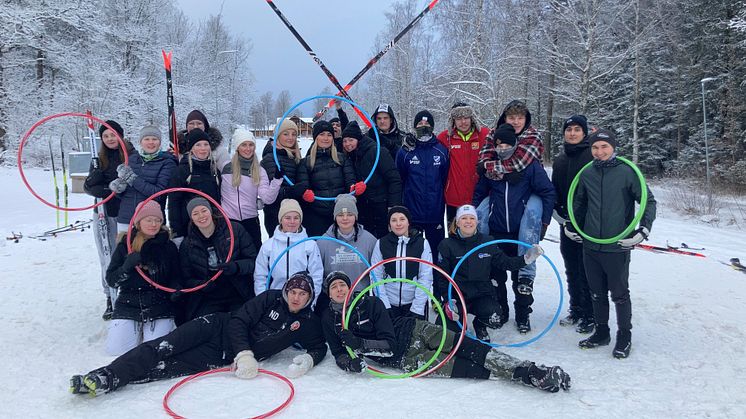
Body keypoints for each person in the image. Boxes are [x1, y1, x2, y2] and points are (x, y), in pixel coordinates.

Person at [71, 272, 327, 397]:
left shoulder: (307, 321)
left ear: (309, 298)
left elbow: (319, 346)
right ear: (286, 291)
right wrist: (246, 354)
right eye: (293, 291)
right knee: (162, 347)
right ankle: (106, 374)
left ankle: (113, 382)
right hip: (215, 327)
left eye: (302, 294)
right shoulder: (270, 298)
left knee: (167, 367)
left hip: (220, 355)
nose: (296, 297)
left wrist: (308, 360)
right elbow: (239, 320)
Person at [320, 271, 571, 392]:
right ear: (328, 292)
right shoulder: (329, 320)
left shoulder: (371, 302)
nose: (340, 290)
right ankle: (526, 377)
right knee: (469, 370)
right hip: (409, 361)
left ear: (351, 288)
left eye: (343, 285)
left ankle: (532, 371)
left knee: (472, 349)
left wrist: (361, 344)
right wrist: (348, 364)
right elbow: (339, 352)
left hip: (416, 330)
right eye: (334, 287)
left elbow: (389, 343)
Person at [567, 129, 656, 359]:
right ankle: (602, 332)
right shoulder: (587, 174)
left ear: (613, 147)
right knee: (596, 292)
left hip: (616, 244)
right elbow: (579, 204)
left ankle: (624, 336)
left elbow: (648, 201)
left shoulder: (627, 173)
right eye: (595, 148)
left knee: (619, 293)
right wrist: (571, 225)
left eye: (604, 147)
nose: (599, 152)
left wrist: (642, 230)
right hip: (591, 244)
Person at [472, 123, 556, 334]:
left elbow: (547, 192)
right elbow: (479, 194)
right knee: (496, 274)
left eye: (507, 144)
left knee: (522, 275)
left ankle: (522, 313)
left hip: (521, 231)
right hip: (497, 229)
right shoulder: (491, 169)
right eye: (499, 144)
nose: (503, 148)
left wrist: (544, 222)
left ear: (516, 144)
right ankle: (501, 309)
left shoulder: (530, 167)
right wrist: (472, 217)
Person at [434, 205, 544, 342]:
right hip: (458, 295)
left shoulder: (487, 242)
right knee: (448, 332)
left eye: (471, 218)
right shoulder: (447, 245)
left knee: (495, 319)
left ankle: (479, 325)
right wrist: (449, 300)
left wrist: (526, 259)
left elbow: (505, 263)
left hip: (481, 293)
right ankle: (460, 323)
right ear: (457, 221)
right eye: (464, 218)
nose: (468, 221)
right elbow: (442, 277)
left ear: (477, 221)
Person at [476, 100, 547, 283]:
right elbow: (483, 158)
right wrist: (492, 169)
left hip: (529, 189)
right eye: (511, 117)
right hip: (500, 187)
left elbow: (517, 164)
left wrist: (491, 167)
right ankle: (481, 262)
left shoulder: (532, 135)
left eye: (520, 118)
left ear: (526, 119)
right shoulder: (495, 134)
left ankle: (526, 272)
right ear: (504, 118)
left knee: (529, 220)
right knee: (480, 215)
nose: (516, 122)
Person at [104, 200, 181, 356]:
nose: (153, 224)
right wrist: (126, 267)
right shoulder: (126, 244)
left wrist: (175, 289)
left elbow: (176, 275)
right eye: (148, 220)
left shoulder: (168, 246)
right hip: (129, 303)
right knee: (116, 351)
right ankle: (133, 330)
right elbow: (111, 280)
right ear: (138, 222)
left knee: (155, 351)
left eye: (157, 220)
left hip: (159, 304)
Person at [84, 119, 134, 320]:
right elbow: (89, 187)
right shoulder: (98, 159)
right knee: (107, 256)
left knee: (128, 253)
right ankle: (109, 296)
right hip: (104, 214)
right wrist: (104, 186)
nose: (110, 139)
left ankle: (129, 291)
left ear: (120, 135)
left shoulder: (130, 156)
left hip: (126, 213)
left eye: (113, 135)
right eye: (106, 136)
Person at [178, 197, 258, 322]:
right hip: (208, 297)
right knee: (207, 328)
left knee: (238, 325)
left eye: (204, 210)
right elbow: (186, 278)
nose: (201, 216)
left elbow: (253, 262)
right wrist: (201, 285)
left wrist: (236, 267)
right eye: (195, 213)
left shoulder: (234, 230)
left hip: (237, 292)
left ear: (211, 211)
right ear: (191, 218)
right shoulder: (187, 244)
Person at [551, 115, 595, 334]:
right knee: (571, 267)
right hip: (567, 223)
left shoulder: (592, 156)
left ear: (584, 132)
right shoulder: (560, 160)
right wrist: (559, 216)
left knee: (588, 269)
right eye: (569, 130)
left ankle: (590, 313)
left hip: (589, 224)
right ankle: (576, 307)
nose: (572, 133)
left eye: (577, 129)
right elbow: (555, 191)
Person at [396, 110, 449, 260]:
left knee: (436, 255)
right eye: (420, 123)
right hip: (413, 214)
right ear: (415, 126)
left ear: (432, 126)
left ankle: (439, 284)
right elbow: (401, 178)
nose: (423, 126)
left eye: (427, 123)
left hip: (435, 213)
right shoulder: (406, 151)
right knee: (414, 255)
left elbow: (444, 179)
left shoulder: (441, 150)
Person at [221, 128, 283, 251]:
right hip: (228, 222)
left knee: (254, 257)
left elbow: (267, 198)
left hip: (250, 222)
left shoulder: (259, 171)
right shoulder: (225, 167)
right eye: (244, 145)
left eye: (251, 145)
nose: (248, 148)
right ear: (237, 147)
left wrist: (276, 180)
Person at [254, 199, 324, 306]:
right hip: (275, 299)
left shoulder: (310, 245)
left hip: (301, 299)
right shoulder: (268, 246)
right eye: (287, 218)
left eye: (296, 218)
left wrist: (311, 302)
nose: (292, 222)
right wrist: (263, 301)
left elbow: (316, 276)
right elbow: (260, 276)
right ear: (280, 220)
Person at [316, 194, 378, 313]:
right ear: (335, 217)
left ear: (355, 216)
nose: (345, 218)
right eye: (340, 215)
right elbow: (318, 273)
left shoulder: (369, 240)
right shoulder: (323, 242)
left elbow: (377, 271)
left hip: (360, 299)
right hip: (333, 302)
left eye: (349, 214)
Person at [109, 125, 177, 233]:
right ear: (140, 142)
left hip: (151, 220)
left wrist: (132, 179)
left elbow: (158, 193)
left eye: (154, 139)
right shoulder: (131, 159)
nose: (151, 142)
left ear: (159, 142)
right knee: (125, 249)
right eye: (147, 139)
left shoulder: (167, 162)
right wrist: (118, 189)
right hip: (126, 218)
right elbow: (124, 192)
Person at [341, 121, 402, 238]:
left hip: (381, 206)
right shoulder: (350, 156)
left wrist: (393, 206)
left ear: (358, 139)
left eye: (351, 140)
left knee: (383, 240)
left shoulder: (377, 151)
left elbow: (394, 179)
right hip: (364, 208)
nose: (347, 144)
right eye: (344, 141)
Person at [297, 120, 358, 237]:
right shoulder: (306, 162)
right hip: (316, 215)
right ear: (315, 138)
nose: (326, 138)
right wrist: (305, 194)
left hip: (340, 215)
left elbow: (350, 182)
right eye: (322, 134)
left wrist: (354, 189)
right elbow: (303, 186)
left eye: (329, 135)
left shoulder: (342, 159)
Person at [370, 206, 431, 319]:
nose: (398, 223)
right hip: (389, 302)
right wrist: (384, 304)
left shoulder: (422, 243)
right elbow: (375, 275)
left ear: (408, 222)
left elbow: (426, 276)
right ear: (389, 225)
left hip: (413, 302)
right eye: (394, 220)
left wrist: (417, 308)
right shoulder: (381, 243)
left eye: (402, 219)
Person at [436, 102, 489, 227]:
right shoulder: (444, 138)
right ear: (453, 120)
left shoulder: (485, 135)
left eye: (466, 118)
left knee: (479, 237)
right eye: (458, 119)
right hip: (454, 199)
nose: (463, 122)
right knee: (454, 237)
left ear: (472, 118)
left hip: (479, 197)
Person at [168, 128, 222, 242]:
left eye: (206, 144)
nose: (203, 148)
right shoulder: (182, 171)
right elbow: (174, 203)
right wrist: (177, 232)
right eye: (198, 145)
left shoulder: (214, 171)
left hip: (213, 225)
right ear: (191, 148)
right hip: (188, 228)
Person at [260, 118, 307, 236]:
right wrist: (290, 191)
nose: (290, 138)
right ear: (277, 136)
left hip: (294, 213)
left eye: (294, 134)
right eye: (286, 134)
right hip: (276, 215)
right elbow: (270, 193)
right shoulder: (270, 159)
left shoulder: (294, 157)